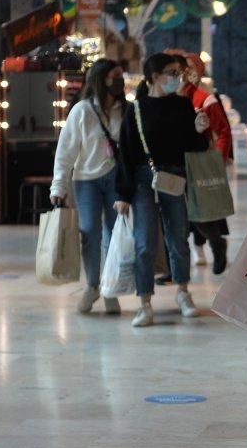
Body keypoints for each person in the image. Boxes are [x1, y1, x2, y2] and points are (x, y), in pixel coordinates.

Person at [114, 53, 211, 327]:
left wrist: (200, 130)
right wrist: (123, 194)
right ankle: (144, 301)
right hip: (145, 179)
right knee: (144, 242)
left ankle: (183, 292)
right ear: (154, 76)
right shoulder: (136, 109)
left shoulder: (182, 105)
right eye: (171, 72)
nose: (177, 77)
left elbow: (194, 146)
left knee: (178, 238)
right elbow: (127, 153)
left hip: (176, 177)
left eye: (179, 72)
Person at [50, 59, 125, 314]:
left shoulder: (125, 110)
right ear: (101, 79)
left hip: (117, 180)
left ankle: (109, 288)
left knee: (114, 235)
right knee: (89, 232)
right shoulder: (81, 111)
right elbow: (66, 152)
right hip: (86, 181)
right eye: (115, 75)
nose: (120, 80)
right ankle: (92, 285)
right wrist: (58, 187)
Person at [176, 52, 233, 274]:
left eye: (191, 68)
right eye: (182, 68)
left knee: (200, 213)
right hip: (171, 163)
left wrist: (216, 162)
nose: (186, 73)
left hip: (198, 163)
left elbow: (223, 131)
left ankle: (216, 243)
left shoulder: (205, 99)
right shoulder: (168, 97)